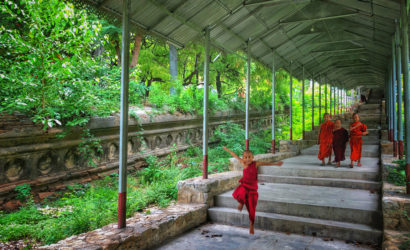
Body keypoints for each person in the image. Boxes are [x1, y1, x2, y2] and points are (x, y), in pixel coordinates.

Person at [222, 146, 283, 234]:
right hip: (245, 186)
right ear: (243, 158)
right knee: (241, 192)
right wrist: (227, 149)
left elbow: (265, 163)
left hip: (253, 188)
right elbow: (234, 155)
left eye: (249, 157)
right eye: (245, 157)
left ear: (253, 157)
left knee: (252, 207)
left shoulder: (256, 164)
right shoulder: (243, 163)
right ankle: (241, 203)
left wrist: (276, 164)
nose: (247, 159)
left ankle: (251, 224)